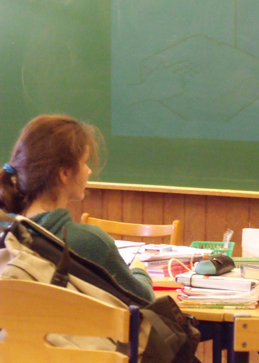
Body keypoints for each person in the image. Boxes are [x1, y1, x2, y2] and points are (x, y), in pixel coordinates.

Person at [0, 114, 155, 302]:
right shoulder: (90, 242)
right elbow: (144, 300)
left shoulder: (5, 235)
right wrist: (139, 271)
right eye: (85, 162)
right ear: (65, 173)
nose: (89, 171)